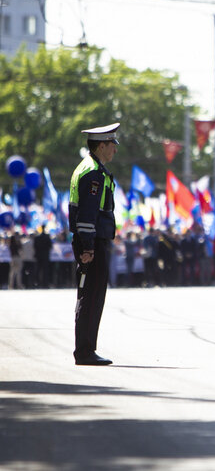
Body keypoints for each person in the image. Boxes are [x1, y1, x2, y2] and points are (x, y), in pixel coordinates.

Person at [68, 122, 120, 366]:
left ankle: (87, 348)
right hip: (93, 242)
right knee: (91, 296)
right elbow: (87, 213)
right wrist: (88, 246)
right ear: (101, 146)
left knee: (91, 294)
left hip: (93, 240)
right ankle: (85, 351)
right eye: (112, 145)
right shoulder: (93, 174)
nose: (115, 150)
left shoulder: (91, 168)